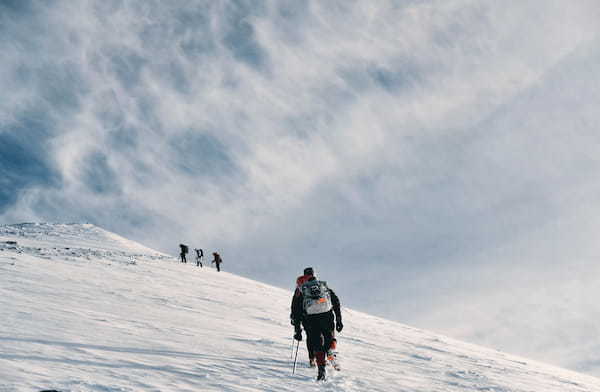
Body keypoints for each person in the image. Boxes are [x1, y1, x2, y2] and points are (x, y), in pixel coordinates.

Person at [291, 267, 343, 381]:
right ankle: (330, 352)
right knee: (330, 338)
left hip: (311, 319)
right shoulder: (322, 286)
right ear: (314, 274)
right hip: (327, 316)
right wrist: (339, 319)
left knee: (316, 343)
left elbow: (296, 310)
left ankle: (321, 369)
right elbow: (335, 301)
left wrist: (297, 329)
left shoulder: (302, 289)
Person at [290, 267, 316, 367]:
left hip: (302, 315)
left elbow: (295, 305)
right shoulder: (315, 283)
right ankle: (321, 357)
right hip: (314, 314)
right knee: (318, 336)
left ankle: (312, 359)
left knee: (310, 337)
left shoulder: (299, 284)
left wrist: (296, 324)